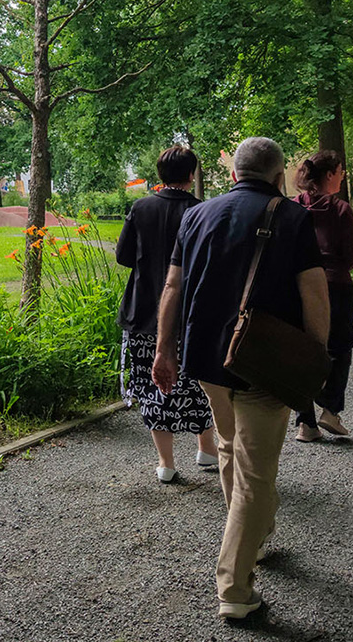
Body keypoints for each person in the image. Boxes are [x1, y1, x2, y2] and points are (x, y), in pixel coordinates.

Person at [152, 137, 329, 620]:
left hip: (207, 359)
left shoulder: (196, 215)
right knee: (254, 471)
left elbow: (173, 285)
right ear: (277, 178)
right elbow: (314, 292)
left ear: (233, 175)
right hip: (263, 361)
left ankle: (254, 538)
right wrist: (315, 357)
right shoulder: (292, 218)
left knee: (230, 447)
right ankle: (233, 586)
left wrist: (165, 350)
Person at [116, 146, 217, 483]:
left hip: (145, 311)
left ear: (159, 175)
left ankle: (166, 463)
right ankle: (206, 448)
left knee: (152, 384)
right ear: (192, 175)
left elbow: (123, 256)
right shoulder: (203, 212)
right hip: (191, 314)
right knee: (200, 381)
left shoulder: (141, 207)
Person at [292, 151, 353, 442]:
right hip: (336, 285)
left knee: (303, 350)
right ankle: (330, 410)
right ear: (330, 174)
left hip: (299, 285)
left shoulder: (293, 207)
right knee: (341, 347)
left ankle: (305, 423)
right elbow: (351, 256)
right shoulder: (341, 209)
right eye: (341, 171)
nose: (343, 176)